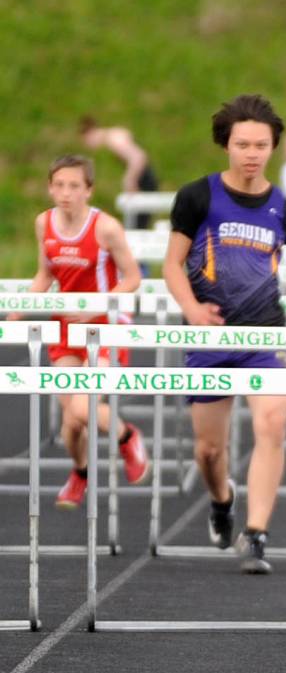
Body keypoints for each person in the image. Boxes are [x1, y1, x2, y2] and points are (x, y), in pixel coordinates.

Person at [163, 95, 286, 574]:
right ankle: (222, 501)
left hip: (264, 338)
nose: (252, 154)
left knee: (273, 423)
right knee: (209, 450)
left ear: (273, 147)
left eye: (261, 145)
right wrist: (191, 309)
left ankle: (256, 534)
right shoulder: (197, 197)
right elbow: (172, 264)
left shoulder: (285, 209)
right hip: (210, 338)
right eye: (243, 144)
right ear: (226, 145)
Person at [15, 155, 149, 508]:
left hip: (105, 327)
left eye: (74, 186)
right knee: (71, 425)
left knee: (82, 407)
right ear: (49, 187)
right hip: (65, 327)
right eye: (59, 185)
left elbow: (133, 278)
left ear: (88, 190)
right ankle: (81, 472)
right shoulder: (44, 223)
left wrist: (96, 307)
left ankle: (127, 437)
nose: (66, 193)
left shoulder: (106, 228)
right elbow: (45, 273)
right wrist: (16, 313)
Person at [79, 117, 159, 228]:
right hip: (144, 178)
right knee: (139, 221)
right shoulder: (113, 135)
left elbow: (138, 157)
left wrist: (129, 180)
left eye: (87, 142)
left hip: (145, 180)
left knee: (139, 223)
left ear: (90, 134)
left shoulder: (114, 140)